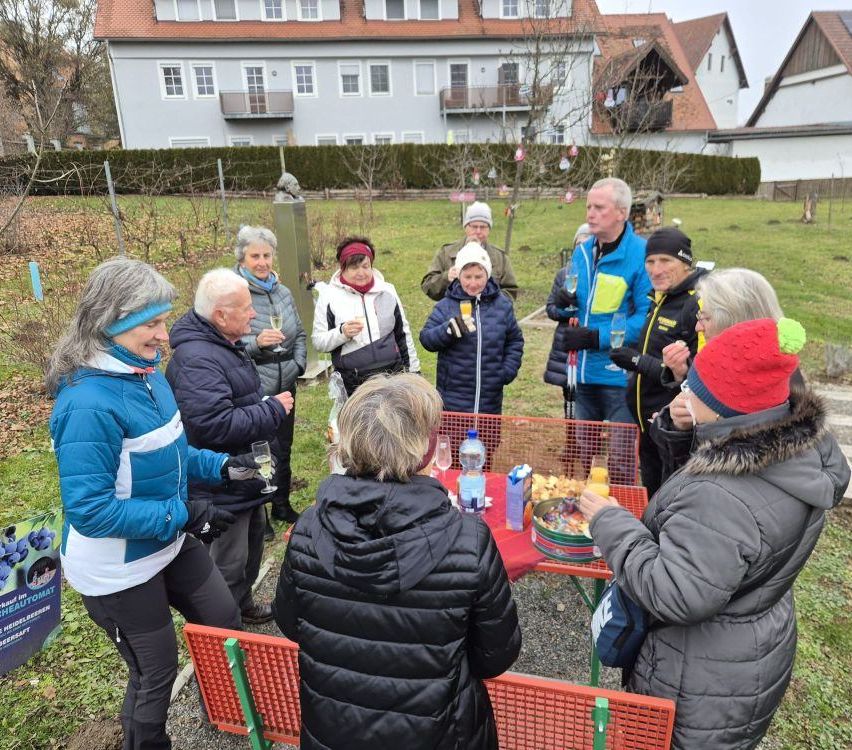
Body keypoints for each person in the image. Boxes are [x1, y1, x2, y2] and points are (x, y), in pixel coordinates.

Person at [578, 317, 850, 750]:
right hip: (750, 647)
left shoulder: (721, 496)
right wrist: (682, 433)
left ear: (725, 405)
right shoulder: (796, 450)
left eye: (695, 388)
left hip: (697, 675)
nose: (684, 393)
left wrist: (611, 521)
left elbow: (676, 592)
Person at [47, 258, 262, 750]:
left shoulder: (146, 374)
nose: (165, 335)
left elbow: (171, 449)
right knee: (155, 672)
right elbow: (91, 511)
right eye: (153, 324)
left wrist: (222, 467)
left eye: (164, 321)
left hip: (167, 539)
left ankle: (223, 708)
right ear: (113, 322)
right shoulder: (86, 404)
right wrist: (183, 514)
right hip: (118, 568)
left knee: (222, 619)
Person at [272, 373, 521, 750]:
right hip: (440, 735)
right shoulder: (469, 540)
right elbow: (495, 655)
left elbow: (292, 623)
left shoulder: (308, 528)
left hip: (334, 731)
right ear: (425, 450)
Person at [166, 269, 294, 626]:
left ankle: (243, 604)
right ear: (221, 315)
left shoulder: (222, 345)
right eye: (246, 307)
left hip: (244, 475)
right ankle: (222, 631)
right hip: (220, 485)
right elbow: (214, 424)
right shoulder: (198, 359)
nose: (253, 314)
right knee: (227, 562)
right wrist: (271, 410)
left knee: (251, 552)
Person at [650, 268, 803, 484]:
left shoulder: (776, 381)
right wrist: (677, 424)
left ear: (733, 319)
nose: (697, 327)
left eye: (705, 318)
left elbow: (741, 460)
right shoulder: (728, 365)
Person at [606, 227, 707, 497]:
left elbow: (699, 376)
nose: (656, 269)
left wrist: (637, 361)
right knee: (651, 493)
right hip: (648, 423)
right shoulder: (659, 297)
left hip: (676, 430)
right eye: (650, 261)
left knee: (670, 497)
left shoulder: (696, 304)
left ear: (685, 263)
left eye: (665, 261)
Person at [544, 178, 652, 425]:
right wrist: (564, 304)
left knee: (620, 449)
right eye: (588, 207)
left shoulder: (642, 254)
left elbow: (646, 319)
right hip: (581, 374)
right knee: (585, 446)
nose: (590, 214)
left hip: (619, 377)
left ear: (621, 213)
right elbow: (576, 308)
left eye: (599, 208)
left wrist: (596, 337)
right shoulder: (581, 252)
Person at [235, 225, 306, 525]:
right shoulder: (234, 292)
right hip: (252, 384)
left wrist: (298, 365)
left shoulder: (283, 291)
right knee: (257, 448)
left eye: (267, 255)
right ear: (242, 259)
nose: (262, 262)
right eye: (255, 256)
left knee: (283, 446)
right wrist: (256, 343)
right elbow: (226, 343)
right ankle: (258, 515)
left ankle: (281, 504)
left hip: (286, 381)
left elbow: (299, 333)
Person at [419, 242, 524, 415]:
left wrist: (506, 371)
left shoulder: (502, 305)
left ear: (487, 275)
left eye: (478, 276)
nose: (473, 283)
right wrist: (448, 330)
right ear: (458, 275)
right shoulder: (446, 306)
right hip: (452, 397)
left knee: (486, 433)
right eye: (467, 277)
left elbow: (515, 340)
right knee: (454, 434)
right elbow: (426, 339)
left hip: (489, 399)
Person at [312, 236, 420, 396]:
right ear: (343, 268)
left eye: (365, 266)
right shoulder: (329, 297)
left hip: (392, 377)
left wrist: (414, 372)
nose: (361, 273)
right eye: (354, 267)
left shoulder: (387, 291)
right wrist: (342, 333)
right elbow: (319, 342)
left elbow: (403, 335)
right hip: (353, 382)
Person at [421, 200, 519, 301]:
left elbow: (510, 291)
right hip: (452, 310)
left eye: (483, 227)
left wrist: (490, 301)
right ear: (465, 227)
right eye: (474, 226)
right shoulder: (446, 253)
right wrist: (446, 278)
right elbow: (428, 287)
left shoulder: (500, 258)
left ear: (489, 229)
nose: (478, 231)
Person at [542, 222, 591, 416]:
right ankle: (571, 432)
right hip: (566, 346)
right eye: (579, 244)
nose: (582, 248)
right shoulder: (564, 274)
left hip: (590, 344)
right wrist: (566, 311)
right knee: (569, 397)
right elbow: (551, 309)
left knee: (589, 398)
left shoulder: (602, 274)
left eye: (587, 244)